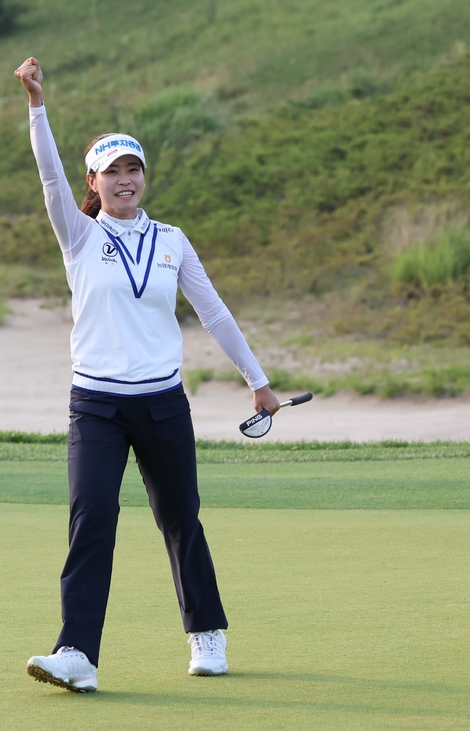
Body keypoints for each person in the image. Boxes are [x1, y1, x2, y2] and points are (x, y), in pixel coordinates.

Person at [14, 57, 280, 693]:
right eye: (113, 172)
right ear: (95, 182)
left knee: (181, 516)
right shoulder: (77, 235)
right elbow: (49, 176)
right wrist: (37, 106)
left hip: (163, 403)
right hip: (96, 407)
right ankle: (76, 654)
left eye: (134, 169)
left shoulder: (173, 239)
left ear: (143, 177)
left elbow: (213, 312)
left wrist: (258, 380)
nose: (125, 180)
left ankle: (206, 634)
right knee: (91, 520)